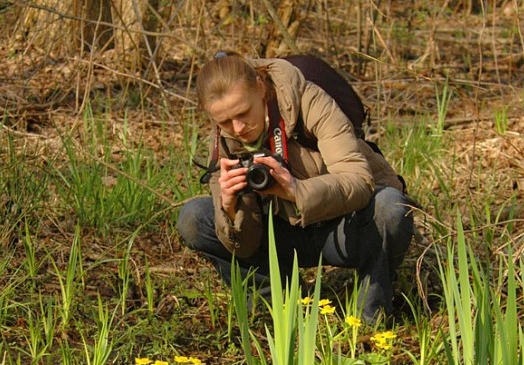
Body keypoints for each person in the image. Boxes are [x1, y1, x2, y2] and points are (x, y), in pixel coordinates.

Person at [177, 51, 414, 323]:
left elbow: (358, 181)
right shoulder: (226, 141)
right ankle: (279, 305)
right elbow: (244, 247)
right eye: (224, 121)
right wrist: (231, 211)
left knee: (391, 207)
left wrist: (295, 190)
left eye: (243, 113)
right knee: (194, 218)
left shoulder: (309, 101)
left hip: (344, 227)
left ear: (261, 88)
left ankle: (369, 316)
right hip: (285, 233)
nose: (238, 127)